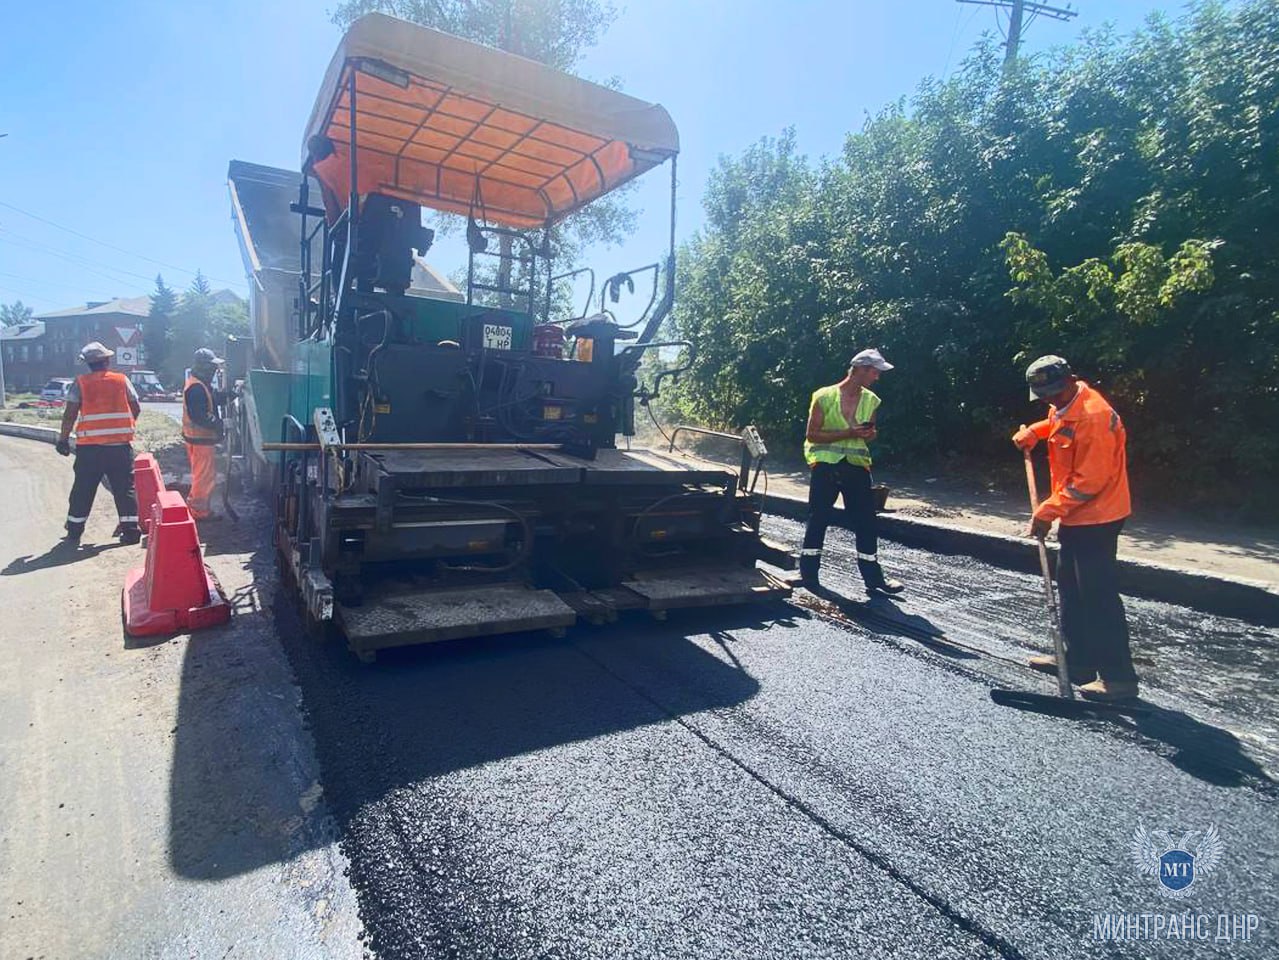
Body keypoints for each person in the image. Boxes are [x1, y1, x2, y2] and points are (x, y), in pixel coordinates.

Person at [1012, 355, 1139, 702]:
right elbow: (1057, 425)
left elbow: (1090, 481)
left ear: (1070, 380)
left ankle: (1118, 678)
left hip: (1098, 517)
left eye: (1053, 392)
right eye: (1045, 396)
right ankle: (1078, 661)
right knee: (1069, 587)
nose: (1050, 400)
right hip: (1076, 516)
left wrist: (1047, 511)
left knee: (1097, 596)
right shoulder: (1066, 404)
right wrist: (1033, 432)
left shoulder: (1094, 416)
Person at [799, 348, 904, 595]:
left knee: (866, 521)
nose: (877, 377)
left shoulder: (871, 400)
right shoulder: (823, 396)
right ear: (860, 369)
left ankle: (874, 579)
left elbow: (870, 433)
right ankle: (809, 575)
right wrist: (849, 433)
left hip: (856, 467)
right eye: (875, 372)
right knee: (818, 518)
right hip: (825, 466)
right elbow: (812, 435)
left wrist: (869, 434)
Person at [55, 342, 142, 545]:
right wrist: (123, 426)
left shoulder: (81, 383)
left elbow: (70, 414)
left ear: (87, 364)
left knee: (83, 489)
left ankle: (74, 531)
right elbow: (136, 407)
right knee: (124, 489)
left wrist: (63, 439)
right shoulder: (121, 380)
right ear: (107, 360)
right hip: (120, 447)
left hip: (90, 449)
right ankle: (130, 531)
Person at [182, 347, 226, 520]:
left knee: (203, 475)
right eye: (212, 367)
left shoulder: (200, 384)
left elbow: (211, 398)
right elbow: (200, 415)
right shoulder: (196, 387)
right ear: (204, 367)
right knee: (203, 477)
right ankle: (198, 512)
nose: (215, 370)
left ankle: (198, 508)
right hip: (200, 439)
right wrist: (219, 423)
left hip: (197, 439)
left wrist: (227, 396)